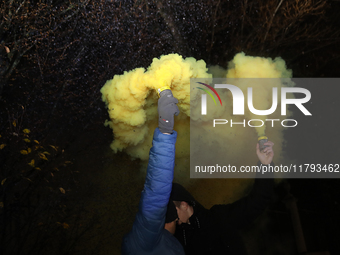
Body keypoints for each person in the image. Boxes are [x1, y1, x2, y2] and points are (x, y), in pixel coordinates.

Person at [167, 141, 275, 255]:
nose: (170, 217)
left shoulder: (219, 218)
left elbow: (256, 202)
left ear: (184, 205)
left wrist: (265, 166)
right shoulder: (176, 240)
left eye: (172, 212)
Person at [121, 88, 185, 255]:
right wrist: (165, 130)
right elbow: (156, 197)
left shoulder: (152, 243)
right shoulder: (145, 242)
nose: (178, 221)